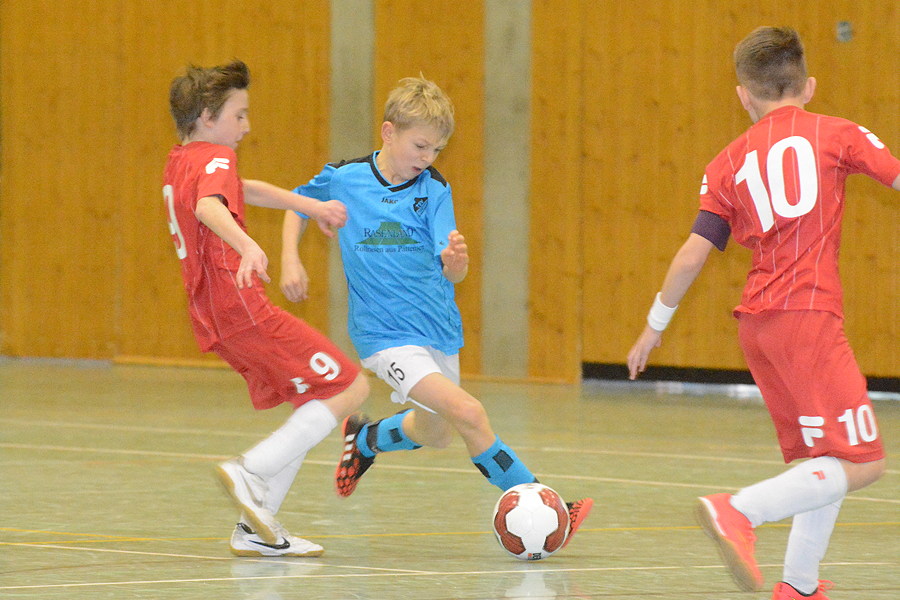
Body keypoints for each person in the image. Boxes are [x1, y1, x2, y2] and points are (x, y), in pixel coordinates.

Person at [627, 27, 898, 599]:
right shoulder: (836, 133)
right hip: (808, 317)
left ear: (743, 95)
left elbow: (692, 253)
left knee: (826, 459)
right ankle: (739, 511)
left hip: (759, 327)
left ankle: (798, 586)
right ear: (809, 86)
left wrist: (653, 327)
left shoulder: (727, 162)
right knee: (865, 462)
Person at [280, 76, 593, 546]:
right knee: (469, 412)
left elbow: (454, 272)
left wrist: (455, 262)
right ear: (389, 132)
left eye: (437, 150)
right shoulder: (346, 178)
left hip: (437, 329)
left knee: (436, 432)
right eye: (420, 146)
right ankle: (549, 506)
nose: (427, 158)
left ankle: (365, 440)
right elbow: (296, 205)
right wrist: (290, 257)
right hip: (384, 336)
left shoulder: (434, 189)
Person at [163, 60, 369, 557]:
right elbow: (209, 207)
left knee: (310, 400)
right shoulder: (216, 156)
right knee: (351, 386)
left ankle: (256, 527)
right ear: (208, 117)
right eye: (239, 115)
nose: (247, 126)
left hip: (212, 313)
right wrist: (249, 245)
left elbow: (243, 190)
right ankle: (250, 470)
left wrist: (312, 206)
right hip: (240, 306)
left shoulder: (182, 159)